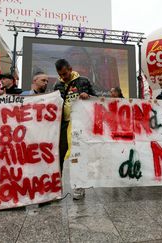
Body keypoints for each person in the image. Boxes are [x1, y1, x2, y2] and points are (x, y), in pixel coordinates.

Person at [53, 59, 96, 200]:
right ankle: (56, 189)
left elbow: (96, 99)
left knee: (78, 155)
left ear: (70, 69)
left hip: (80, 124)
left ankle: (79, 187)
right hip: (63, 125)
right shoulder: (57, 85)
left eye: (65, 74)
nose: (63, 77)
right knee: (59, 156)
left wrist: (88, 96)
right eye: (60, 74)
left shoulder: (83, 81)